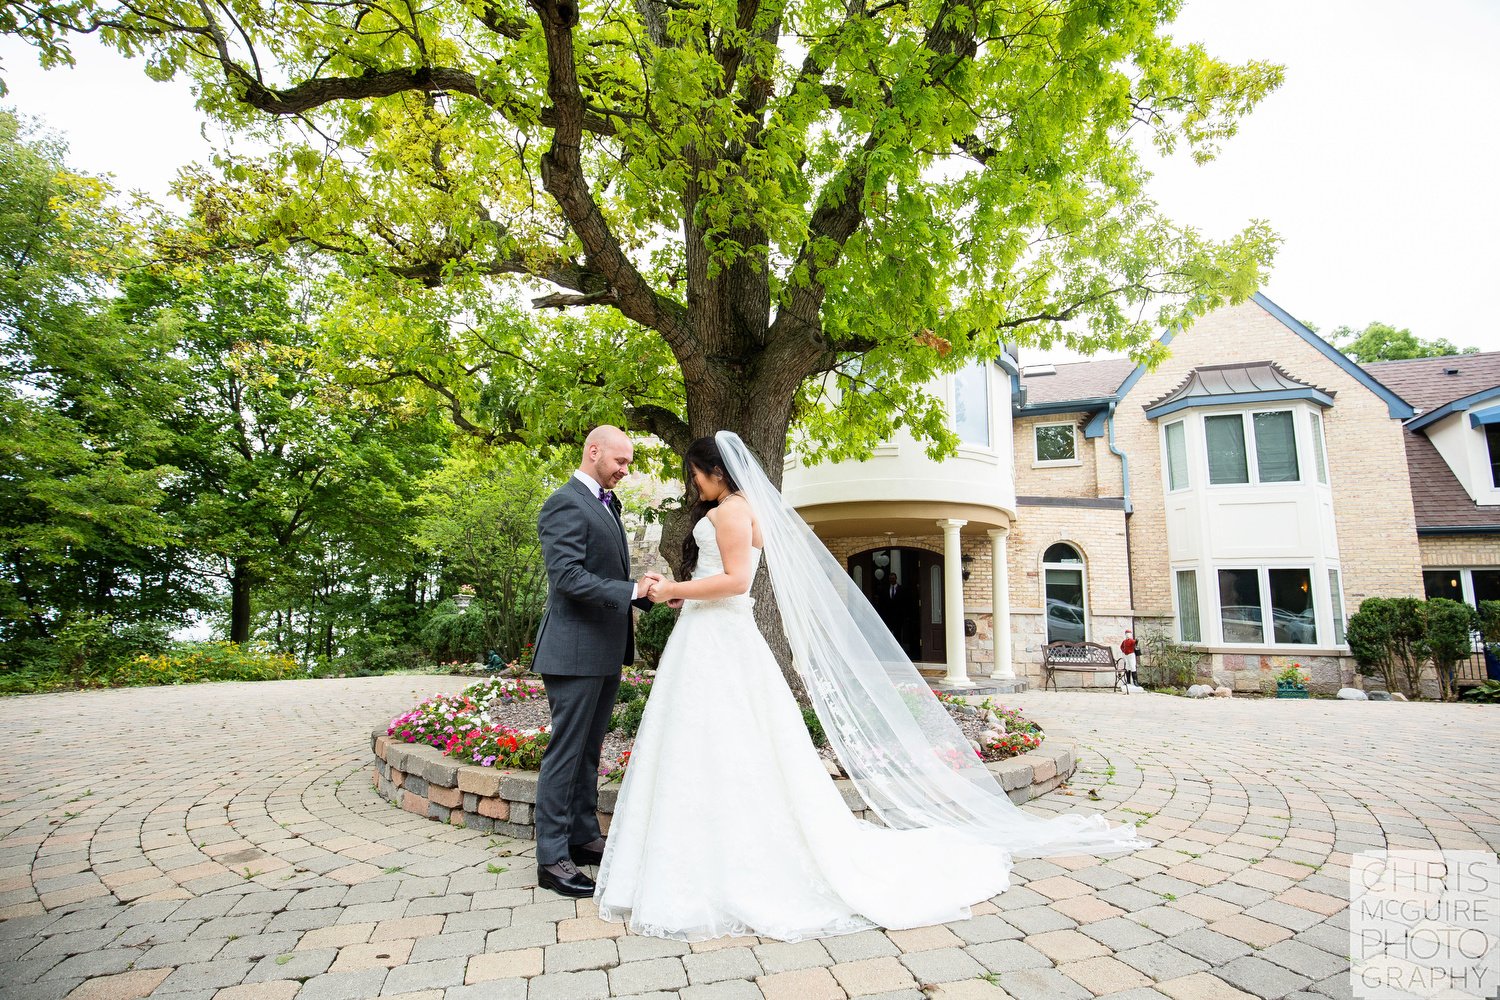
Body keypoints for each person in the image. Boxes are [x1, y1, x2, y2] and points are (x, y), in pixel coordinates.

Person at [593, 432, 1146, 942]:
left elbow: (737, 581)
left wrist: (672, 590)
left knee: (724, 738)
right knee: (717, 741)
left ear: (716, 471)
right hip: (714, 637)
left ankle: (721, 859)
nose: (696, 485)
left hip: (717, 634)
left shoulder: (731, 513)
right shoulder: (743, 510)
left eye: (697, 475)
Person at [531, 426, 663, 898]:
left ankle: (583, 836)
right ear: (593, 452)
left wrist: (646, 595)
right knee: (566, 751)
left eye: (628, 463)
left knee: (589, 750)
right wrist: (632, 591)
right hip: (573, 650)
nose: (626, 471)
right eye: (620, 462)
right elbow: (567, 577)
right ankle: (552, 857)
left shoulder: (608, 502)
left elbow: (604, 574)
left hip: (604, 648)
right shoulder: (564, 501)